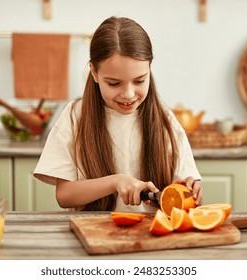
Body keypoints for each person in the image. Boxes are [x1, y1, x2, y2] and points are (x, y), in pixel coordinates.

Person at [33, 16, 203, 212]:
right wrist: (115, 182)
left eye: (139, 81)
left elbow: (186, 194)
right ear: (94, 73)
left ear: (149, 69)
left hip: (153, 237)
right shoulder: (74, 117)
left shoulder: (166, 121)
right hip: (93, 235)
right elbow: (64, 196)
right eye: (114, 83)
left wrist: (191, 191)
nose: (128, 94)